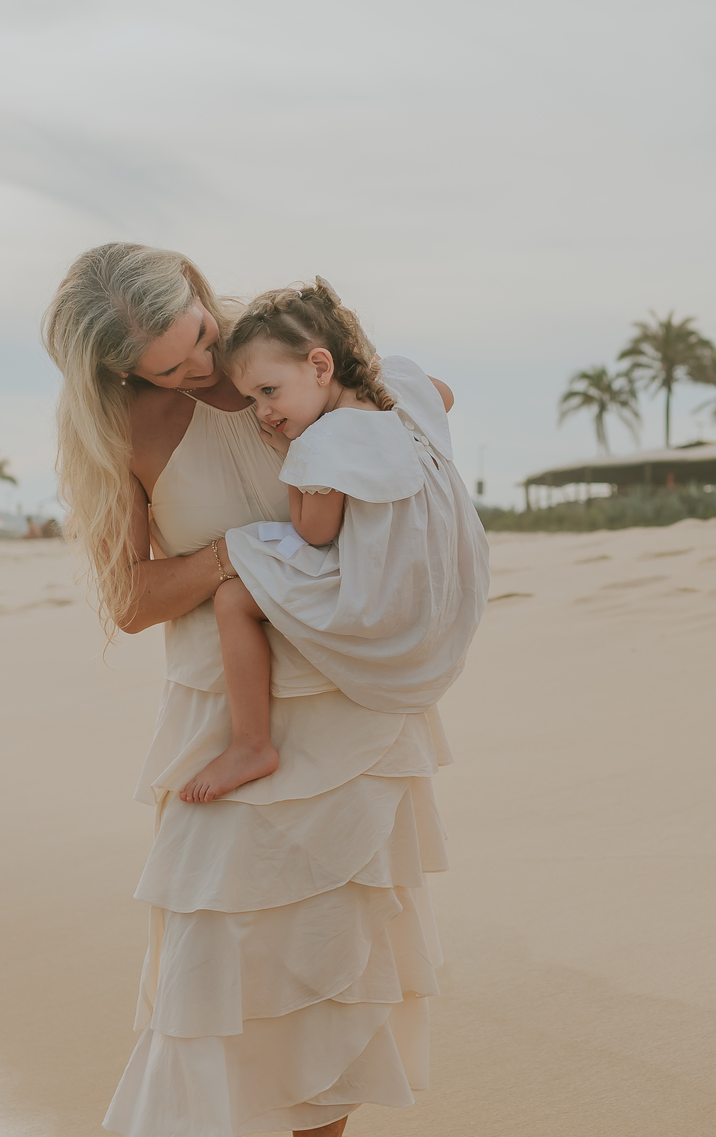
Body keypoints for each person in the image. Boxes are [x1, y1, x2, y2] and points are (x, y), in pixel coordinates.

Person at [42, 243, 484, 1137]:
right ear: (117, 376)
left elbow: (413, 419)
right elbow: (134, 599)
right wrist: (252, 549)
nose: (196, 373)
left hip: (346, 707)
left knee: (331, 972)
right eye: (164, 368)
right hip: (221, 713)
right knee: (198, 965)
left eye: (197, 339)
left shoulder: (275, 356)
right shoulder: (124, 429)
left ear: (205, 295)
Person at [178, 279, 488, 803]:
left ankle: (252, 743)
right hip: (449, 575)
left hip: (384, 596)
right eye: (254, 399)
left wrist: (289, 457)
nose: (263, 413)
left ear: (321, 368)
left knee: (233, 598)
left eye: (269, 391)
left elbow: (313, 532)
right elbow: (446, 395)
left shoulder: (322, 442)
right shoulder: (400, 383)